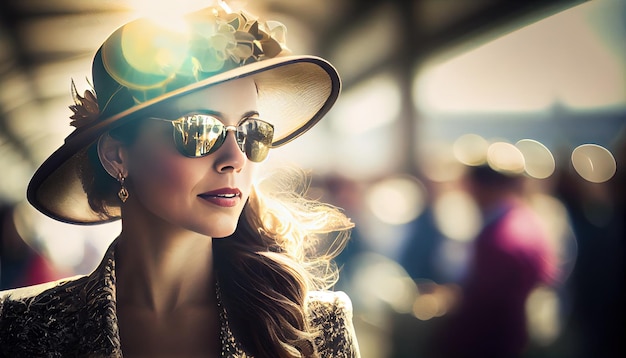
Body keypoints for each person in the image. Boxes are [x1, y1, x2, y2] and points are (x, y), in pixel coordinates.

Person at [0, 3, 360, 357]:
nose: (235, 158)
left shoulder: (315, 327)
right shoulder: (20, 327)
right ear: (117, 155)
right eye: (199, 129)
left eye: (251, 131)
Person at [433, 165, 558, 358]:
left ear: (481, 188)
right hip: (514, 333)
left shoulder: (502, 239)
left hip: (495, 340)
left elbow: (485, 304)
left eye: (470, 188)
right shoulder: (524, 219)